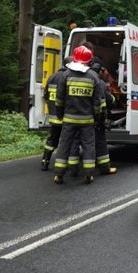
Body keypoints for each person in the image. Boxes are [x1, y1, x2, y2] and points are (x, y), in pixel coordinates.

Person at [53, 45, 105, 184]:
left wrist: (59, 115)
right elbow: (97, 103)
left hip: (69, 119)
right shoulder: (94, 77)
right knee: (89, 145)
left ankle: (59, 174)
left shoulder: (66, 75)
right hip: (87, 121)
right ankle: (88, 174)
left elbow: (59, 99)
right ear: (89, 61)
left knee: (64, 145)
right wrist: (96, 118)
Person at [40, 56, 72, 170]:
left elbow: (45, 95)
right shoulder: (67, 77)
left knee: (52, 139)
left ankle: (45, 161)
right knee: (67, 141)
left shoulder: (52, 77)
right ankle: (65, 165)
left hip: (53, 116)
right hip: (65, 116)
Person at [92, 62, 118, 175]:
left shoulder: (81, 78)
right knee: (100, 142)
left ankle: (79, 168)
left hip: (82, 118)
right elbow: (107, 101)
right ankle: (104, 167)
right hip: (96, 119)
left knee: (86, 142)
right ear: (101, 71)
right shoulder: (100, 83)